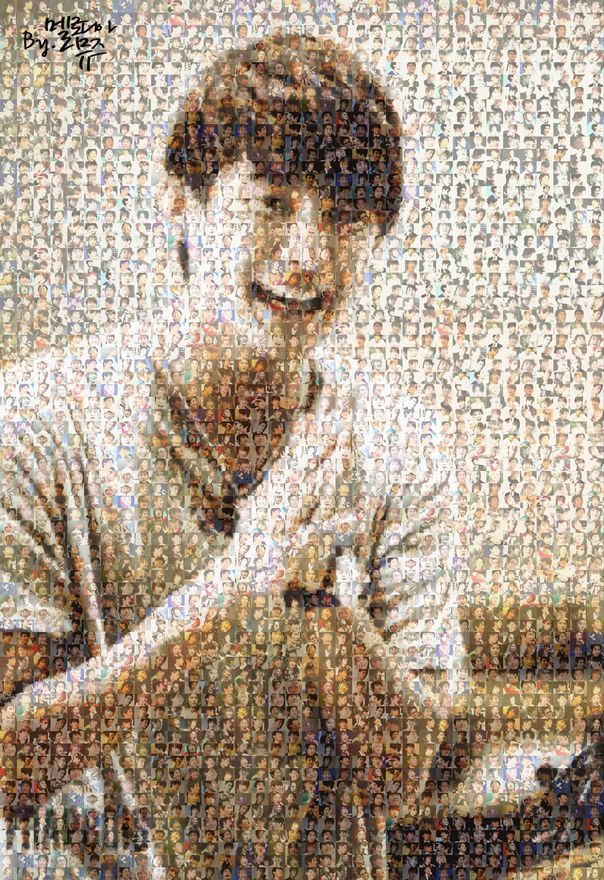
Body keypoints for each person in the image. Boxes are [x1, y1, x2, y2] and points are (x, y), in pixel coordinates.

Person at [0, 32, 599, 880]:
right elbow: (8, 765)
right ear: (181, 205)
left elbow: (396, 780)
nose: (307, 254)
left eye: (343, 217)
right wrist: (236, 580)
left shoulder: (399, 446)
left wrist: (316, 591)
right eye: (272, 202)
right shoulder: (34, 421)